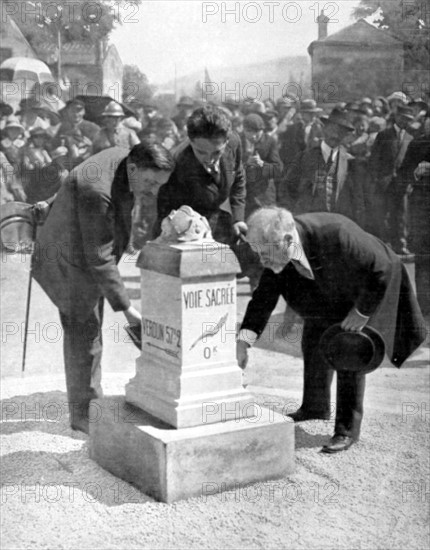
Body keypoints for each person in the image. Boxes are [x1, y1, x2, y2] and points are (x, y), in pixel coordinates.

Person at [237, 207, 426, 453]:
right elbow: (263, 299)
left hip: (368, 288)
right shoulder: (277, 252)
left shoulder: (336, 234)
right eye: (258, 253)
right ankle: (315, 407)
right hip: (327, 293)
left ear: (286, 240)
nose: (262, 260)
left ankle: (346, 430)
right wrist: (243, 342)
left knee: (349, 348)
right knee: (313, 336)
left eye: (264, 253)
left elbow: (381, 268)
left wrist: (361, 312)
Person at [32, 142, 175, 433]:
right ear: (133, 167)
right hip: (67, 260)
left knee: (90, 331)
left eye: (160, 184)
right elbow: (100, 258)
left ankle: (91, 401)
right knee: (84, 333)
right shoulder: (97, 191)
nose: (153, 190)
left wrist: (51, 200)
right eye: (150, 182)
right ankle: (84, 414)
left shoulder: (126, 157)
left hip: (84, 246)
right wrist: (128, 309)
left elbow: (77, 179)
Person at [157, 105, 247, 245]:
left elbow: (238, 177)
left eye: (217, 152)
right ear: (191, 141)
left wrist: (238, 218)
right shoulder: (176, 165)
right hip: (186, 229)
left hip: (216, 218)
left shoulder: (234, 143)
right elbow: (166, 214)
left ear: (227, 141)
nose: (209, 160)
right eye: (201, 152)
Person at [280, 107, 366, 229]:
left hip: (337, 226)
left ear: (346, 135)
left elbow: (358, 200)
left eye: (341, 132)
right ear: (325, 128)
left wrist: (356, 227)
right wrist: (293, 216)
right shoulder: (305, 157)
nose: (335, 135)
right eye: (332, 129)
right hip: (308, 225)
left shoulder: (350, 162)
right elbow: (286, 188)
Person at [369, 104, 415, 252]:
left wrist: (409, 181)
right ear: (396, 117)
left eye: (408, 119)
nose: (405, 121)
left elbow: (411, 163)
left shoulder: (410, 138)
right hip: (384, 181)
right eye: (402, 118)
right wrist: (377, 178)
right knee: (382, 213)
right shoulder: (384, 135)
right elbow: (374, 159)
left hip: (401, 183)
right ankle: (383, 244)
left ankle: (400, 244)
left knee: (400, 214)